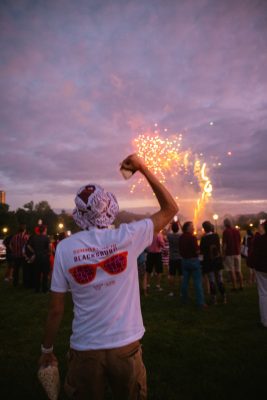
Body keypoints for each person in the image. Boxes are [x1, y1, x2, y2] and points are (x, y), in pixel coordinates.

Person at [39, 154, 178, 400]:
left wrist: (47, 349)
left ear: (80, 214)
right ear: (109, 208)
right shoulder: (128, 236)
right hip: (125, 345)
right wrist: (143, 168)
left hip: (85, 348)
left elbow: (56, 309)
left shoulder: (65, 248)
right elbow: (170, 209)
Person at [179, 221, 206, 308]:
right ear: (187, 228)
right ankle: (200, 303)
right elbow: (197, 251)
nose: (193, 228)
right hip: (193, 261)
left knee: (184, 282)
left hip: (184, 261)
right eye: (192, 226)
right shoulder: (192, 238)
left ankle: (184, 300)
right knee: (197, 282)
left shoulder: (181, 237)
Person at [200, 221, 226, 305]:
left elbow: (202, 251)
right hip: (217, 260)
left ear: (204, 229)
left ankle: (214, 299)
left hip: (208, 261)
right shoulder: (216, 236)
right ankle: (224, 297)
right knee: (220, 279)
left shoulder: (203, 238)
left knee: (212, 280)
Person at [250, 220, 267, 328]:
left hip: (261, 268)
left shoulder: (259, 239)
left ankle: (265, 320)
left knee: (263, 294)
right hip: (262, 268)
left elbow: (254, 251)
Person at [27, 225, 51, 293]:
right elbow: (49, 247)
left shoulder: (34, 237)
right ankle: (44, 289)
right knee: (45, 274)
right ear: (44, 230)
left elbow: (28, 245)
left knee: (37, 274)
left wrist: (34, 251)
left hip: (37, 258)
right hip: (44, 258)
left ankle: (37, 289)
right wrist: (48, 252)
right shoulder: (46, 238)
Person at [222, 219, 243, 291]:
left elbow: (224, 244)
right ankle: (241, 286)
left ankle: (235, 287)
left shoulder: (225, 232)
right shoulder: (237, 231)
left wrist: (223, 254)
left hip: (229, 253)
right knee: (239, 270)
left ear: (225, 224)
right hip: (237, 253)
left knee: (232, 271)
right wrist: (239, 251)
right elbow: (240, 242)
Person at [167, 221, 182, 297]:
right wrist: (179, 223)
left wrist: (170, 224)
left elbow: (167, 232)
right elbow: (184, 232)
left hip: (172, 258)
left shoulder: (170, 236)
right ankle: (181, 291)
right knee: (180, 275)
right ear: (178, 228)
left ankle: (171, 291)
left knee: (171, 275)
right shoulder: (180, 236)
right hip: (180, 258)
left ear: (172, 229)